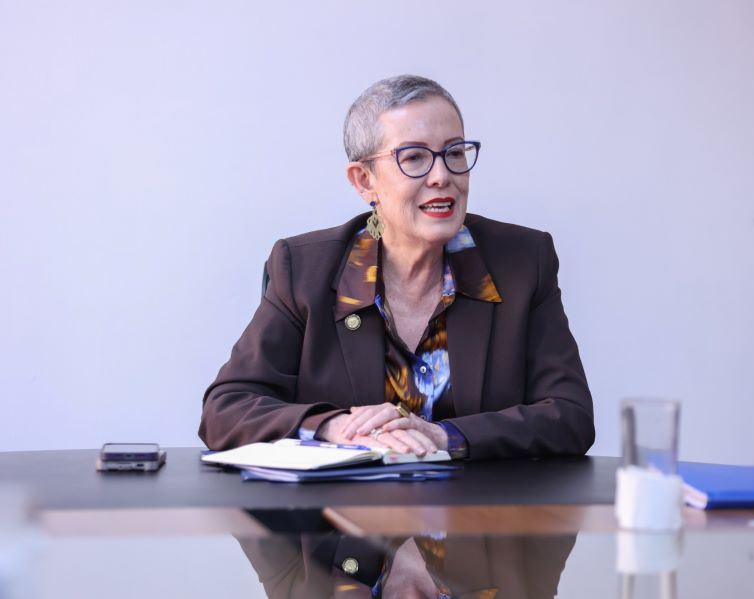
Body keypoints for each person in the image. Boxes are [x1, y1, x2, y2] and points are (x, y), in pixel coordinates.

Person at [199, 74, 594, 460]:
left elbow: (570, 415)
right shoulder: (304, 269)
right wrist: (335, 427)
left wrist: (445, 436)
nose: (442, 176)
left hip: (482, 503)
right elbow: (226, 409)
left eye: (455, 153)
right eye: (414, 158)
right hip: (342, 505)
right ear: (364, 181)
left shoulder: (522, 262)